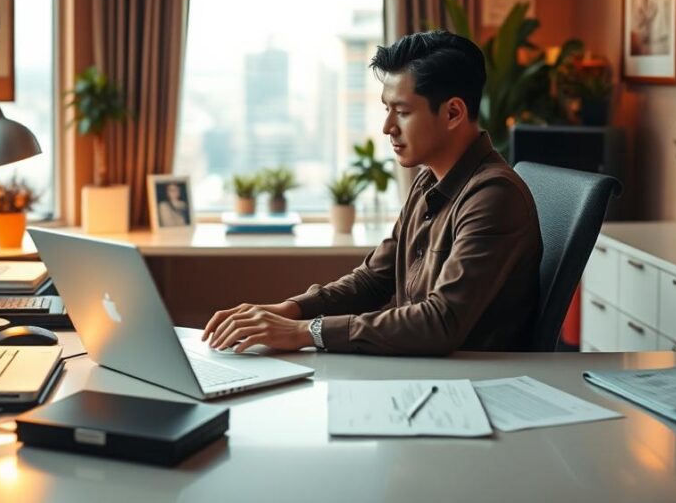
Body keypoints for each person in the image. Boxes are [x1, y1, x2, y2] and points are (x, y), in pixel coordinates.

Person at [202, 30, 543, 356]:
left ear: (453, 112)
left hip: (471, 386)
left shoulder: (493, 195)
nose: (387, 128)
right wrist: (289, 310)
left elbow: (441, 322)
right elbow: (372, 280)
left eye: (404, 112)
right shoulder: (429, 181)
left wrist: (306, 332)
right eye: (387, 109)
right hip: (422, 368)